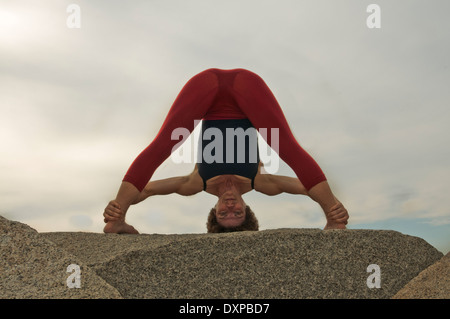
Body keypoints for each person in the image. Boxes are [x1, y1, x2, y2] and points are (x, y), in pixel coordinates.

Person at [103, 68, 349, 234]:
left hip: (205, 86)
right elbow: (305, 188)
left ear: (215, 212)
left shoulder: (196, 183)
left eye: (224, 215)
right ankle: (336, 221)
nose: (230, 207)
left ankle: (115, 223)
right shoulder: (261, 182)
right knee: (286, 146)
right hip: (247, 87)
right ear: (246, 210)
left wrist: (119, 206)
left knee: (163, 145)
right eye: (237, 214)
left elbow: (146, 190)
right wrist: (332, 207)